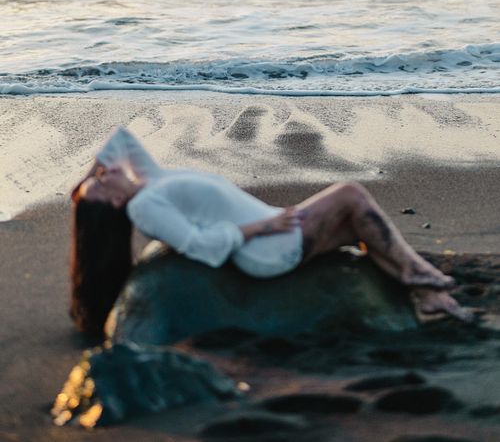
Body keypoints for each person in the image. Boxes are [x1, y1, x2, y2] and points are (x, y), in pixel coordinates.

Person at [70, 126, 471, 335]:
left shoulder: (149, 179)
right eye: (101, 183)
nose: (105, 172)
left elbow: (120, 136)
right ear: (116, 204)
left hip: (276, 229)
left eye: (98, 175)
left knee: (359, 226)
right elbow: (202, 246)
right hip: (267, 247)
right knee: (350, 195)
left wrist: (85, 182)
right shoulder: (144, 206)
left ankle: (427, 294)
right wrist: (262, 226)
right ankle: (422, 276)